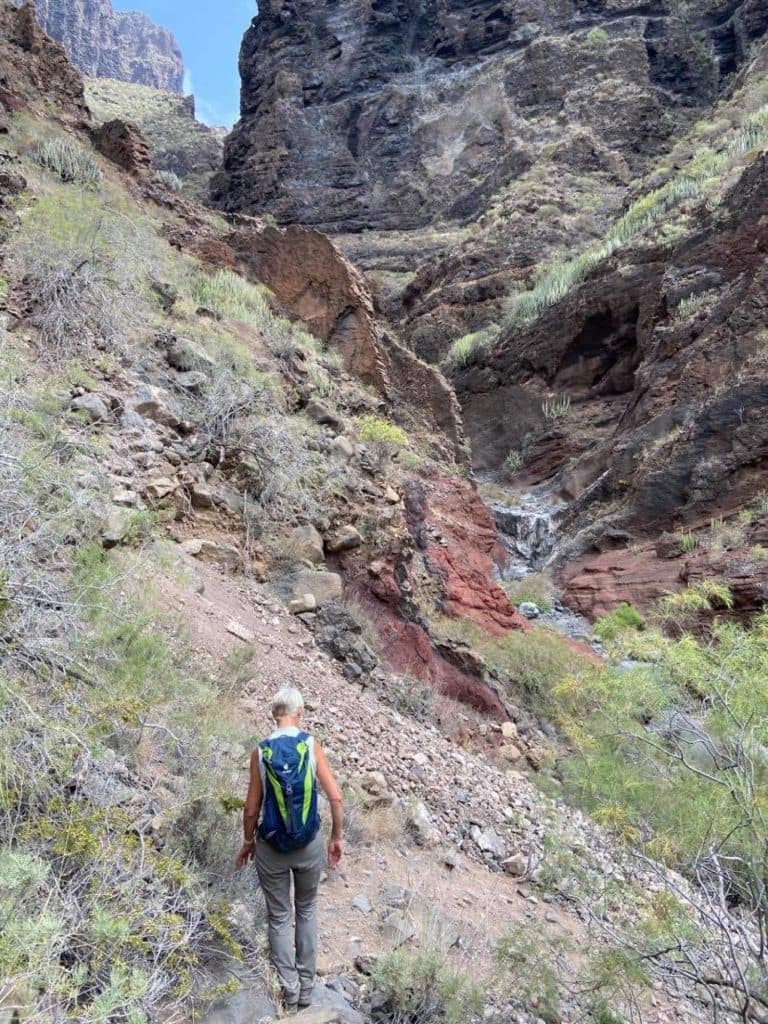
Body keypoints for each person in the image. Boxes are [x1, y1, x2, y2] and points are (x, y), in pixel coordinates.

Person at [236, 685, 344, 1011]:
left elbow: (252, 808)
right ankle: (308, 989)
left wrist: (247, 841)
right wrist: (336, 836)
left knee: (280, 917)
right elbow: (336, 797)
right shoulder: (310, 745)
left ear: (274, 714)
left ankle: (289, 991)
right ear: (299, 713)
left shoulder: (261, 751)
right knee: (307, 908)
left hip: (271, 848)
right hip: (309, 845)